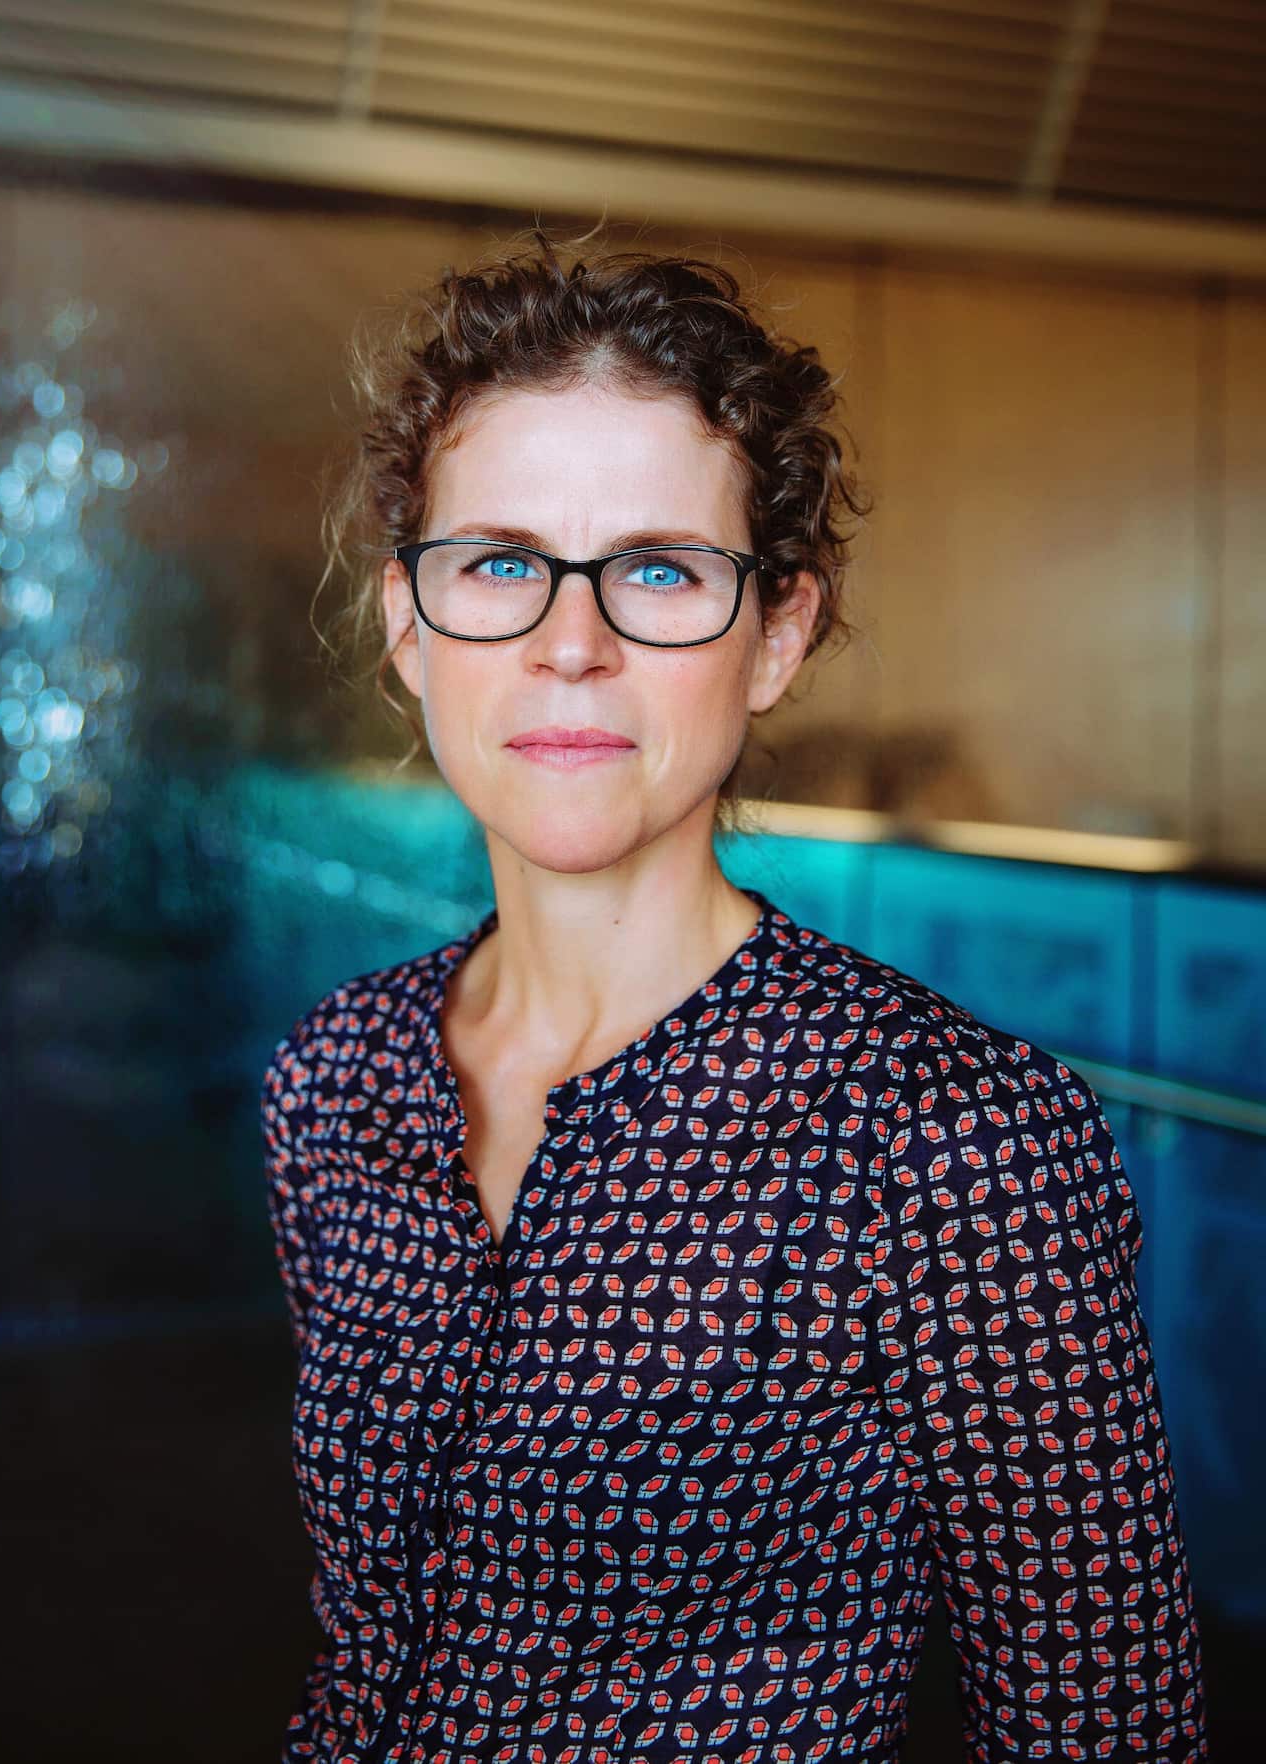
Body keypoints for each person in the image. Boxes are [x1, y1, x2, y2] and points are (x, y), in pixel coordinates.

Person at [260, 227, 1209, 1762]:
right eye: (500, 563)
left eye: (657, 571)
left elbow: (1102, 1727)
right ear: (408, 624)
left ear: (777, 635)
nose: (571, 645)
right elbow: (369, 1652)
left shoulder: (952, 1138)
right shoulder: (339, 1075)